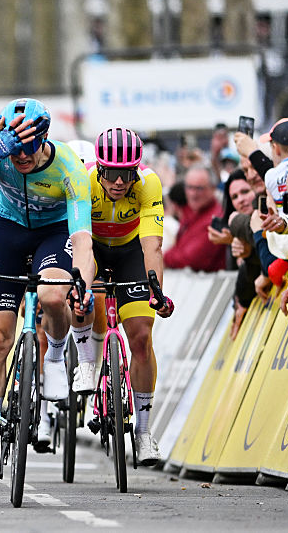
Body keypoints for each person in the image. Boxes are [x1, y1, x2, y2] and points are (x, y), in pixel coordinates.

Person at [0, 98, 95, 479]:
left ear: (44, 139)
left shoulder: (68, 166)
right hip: (8, 229)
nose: (21, 159)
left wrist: (81, 280)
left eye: (28, 149)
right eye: (16, 149)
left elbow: (82, 239)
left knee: (52, 295)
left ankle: (56, 354)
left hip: (54, 232)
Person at [88, 127, 173, 465]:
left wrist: (158, 293)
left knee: (140, 338)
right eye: (111, 173)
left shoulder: (149, 183)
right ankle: (84, 363)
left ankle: (144, 432)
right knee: (80, 301)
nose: (120, 182)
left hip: (129, 255)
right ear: (99, 169)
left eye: (127, 173)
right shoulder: (83, 181)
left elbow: (151, 244)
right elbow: (76, 240)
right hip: (91, 248)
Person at [163, 166, 225, 272]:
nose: (193, 194)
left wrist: (164, 257)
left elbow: (191, 259)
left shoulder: (215, 219)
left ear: (213, 188)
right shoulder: (191, 213)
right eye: (189, 187)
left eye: (199, 188)